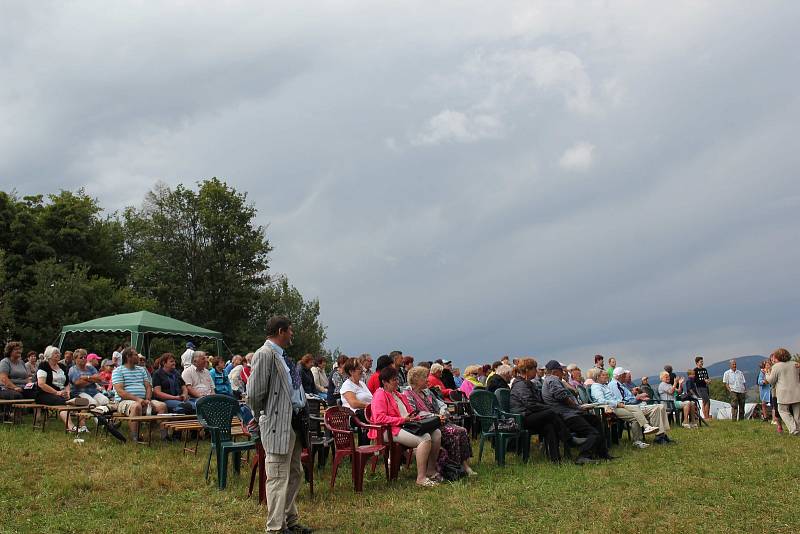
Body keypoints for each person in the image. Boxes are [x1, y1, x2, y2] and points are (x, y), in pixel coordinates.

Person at [247, 316, 312, 534]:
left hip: (293, 422)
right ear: (282, 331)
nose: (292, 334)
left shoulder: (282, 356)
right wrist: (261, 416)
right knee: (276, 475)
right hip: (276, 423)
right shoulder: (264, 354)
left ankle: (288, 520)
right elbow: (254, 393)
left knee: (294, 473)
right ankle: (275, 528)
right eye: (291, 330)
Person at [369, 365, 442, 487]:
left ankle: (430, 469)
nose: (397, 382)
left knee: (436, 433)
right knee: (424, 439)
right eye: (394, 380)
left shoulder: (397, 394)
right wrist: (402, 420)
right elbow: (379, 418)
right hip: (388, 430)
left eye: (397, 379)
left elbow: (409, 413)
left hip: (404, 425)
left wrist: (416, 417)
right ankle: (421, 477)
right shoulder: (380, 395)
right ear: (384, 382)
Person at [511, 358, 588, 463]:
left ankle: (555, 460)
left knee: (549, 426)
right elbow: (531, 404)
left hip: (530, 415)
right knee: (551, 413)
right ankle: (569, 440)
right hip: (522, 417)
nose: (536, 371)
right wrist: (549, 408)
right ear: (528, 370)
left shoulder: (527, 383)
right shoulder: (520, 384)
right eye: (535, 369)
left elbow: (535, 403)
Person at [404, 365, 475, 475]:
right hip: (427, 425)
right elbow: (415, 413)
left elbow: (441, 404)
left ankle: (464, 464)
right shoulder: (408, 394)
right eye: (425, 377)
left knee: (462, 430)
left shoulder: (426, 392)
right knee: (454, 432)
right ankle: (455, 466)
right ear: (416, 380)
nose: (427, 380)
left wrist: (442, 412)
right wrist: (435, 416)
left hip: (439, 421)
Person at [541, 360, 611, 463]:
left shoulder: (551, 380)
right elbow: (562, 397)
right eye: (562, 371)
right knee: (593, 433)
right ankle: (583, 456)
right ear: (555, 371)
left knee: (595, 420)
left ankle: (601, 453)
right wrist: (578, 407)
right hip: (567, 416)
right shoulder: (552, 379)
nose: (563, 373)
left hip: (570, 413)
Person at [587, 368, 657, 449]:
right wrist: (617, 403)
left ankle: (646, 428)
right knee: (635, 417)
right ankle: (638, 439)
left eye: (606, 375)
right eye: (603, 375)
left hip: (617, 405)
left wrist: (620, 403)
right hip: (610, 409)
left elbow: (613, 398)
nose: (606, 376)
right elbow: (601, 401)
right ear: (597, 377)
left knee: (635, 408)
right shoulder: (596, 387)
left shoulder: (604, 386)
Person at [112, 348, 167, 441]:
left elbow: (148, 386)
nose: (138, 357)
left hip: (144, 400)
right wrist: (138, 400)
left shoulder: (142, 370)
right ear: (128, 357)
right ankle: (135, 437)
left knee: (162, 406)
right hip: (123, 401)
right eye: (136, 355)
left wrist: (148, 399)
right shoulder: (118, 371)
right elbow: (120, 392)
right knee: (136, 406)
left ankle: (164, 436)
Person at [609, 369, 674, 444]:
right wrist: (637, 398)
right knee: (657, 408)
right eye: (624, 375)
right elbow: (622, 401)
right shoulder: (614, 385)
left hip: (634, 405)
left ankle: (662, 434)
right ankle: (659, 436)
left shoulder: (620, 385)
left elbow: (628, 398)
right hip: (630, 407)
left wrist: (638, 397)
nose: (625, 377)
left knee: (661, 406)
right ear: (619, 376)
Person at [37, 346, 84, 432]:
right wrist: (57, 392)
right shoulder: (43, 365)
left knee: (80, 401)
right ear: (49, 355)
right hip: (45, 393)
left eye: (59, 353)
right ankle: (71, 427)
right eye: (55, 353)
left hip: (62, 392)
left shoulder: (62, 366)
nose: (58, 354)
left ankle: (83, 426)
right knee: (60, 401)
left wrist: (68, 392)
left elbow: (67, 383)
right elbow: (41, 384)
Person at [765, 348, 800, 435]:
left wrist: (766, 373)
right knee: (797, 414)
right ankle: (798, 429)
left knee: (783, 411)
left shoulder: (777, 366)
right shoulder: (795, 364)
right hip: (797, 392)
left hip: (784, 394)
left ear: (778, 357)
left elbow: (771, 380)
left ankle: (794, 429)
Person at [693, 356, 712, 420]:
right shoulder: (695, 370)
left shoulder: (704, 370)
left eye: (702, 361)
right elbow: (695, 381)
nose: (702, 363)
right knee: (707, 401)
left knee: (705, 401)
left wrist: (708, 381)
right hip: (700, 387)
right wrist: (703, 381)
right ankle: (706, 417)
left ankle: (706, 416)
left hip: (706, 387)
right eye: (701, 362)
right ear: (697, 363)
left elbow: (707, 377)